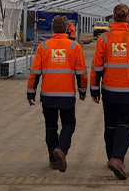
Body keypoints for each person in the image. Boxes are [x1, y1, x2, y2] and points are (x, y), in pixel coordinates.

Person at [91, 4, 129, 180]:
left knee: (110, 125)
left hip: (109, 90)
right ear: (127, 18)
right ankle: (117, 158)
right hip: (128, 90)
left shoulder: (104, 39)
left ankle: (111, 157)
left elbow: (96, 67)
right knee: (125, 124)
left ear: (113, 18)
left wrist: (95, 90)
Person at [27, 16, 87, 173]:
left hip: (48, 95)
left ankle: (53, 161)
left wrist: (31, 93)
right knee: (69, 124)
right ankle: (61, 149)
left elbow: (34, 72)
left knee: (50, 127)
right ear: (67, 29)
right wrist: (82, 91)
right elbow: (81, 72)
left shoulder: (43, 46)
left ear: (53, 29)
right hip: (67, 95)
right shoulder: (74, 47)